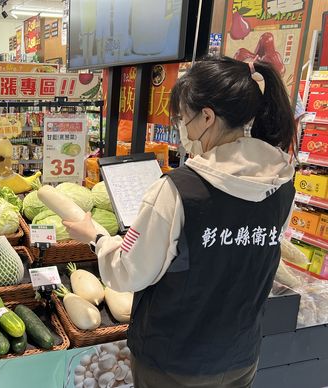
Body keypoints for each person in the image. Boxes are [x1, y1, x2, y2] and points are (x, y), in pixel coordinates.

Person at [63, 56, 296, 388]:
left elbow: (129, 271)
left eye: (184, 117)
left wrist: (96, 237)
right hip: (240, 357)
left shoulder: (177, 191)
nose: (182, 128)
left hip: (175, 364)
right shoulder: (283, 183)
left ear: (207, 116)